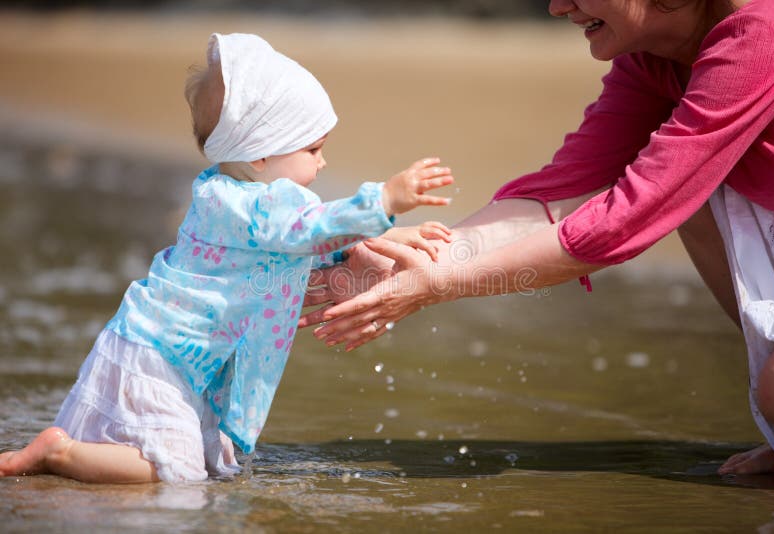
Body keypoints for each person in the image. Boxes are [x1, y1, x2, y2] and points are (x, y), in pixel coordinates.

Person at [302, 0, 774, 476]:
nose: (557, 7)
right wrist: (406, 262)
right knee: (690, 196)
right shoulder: (652, 57)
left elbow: (627, 217)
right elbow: (558, 193)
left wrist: (439, 284)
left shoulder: (761, 33)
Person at [0, 32, 454, 483]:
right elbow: (306, 228)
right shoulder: (243, 206)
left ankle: (73, 456)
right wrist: (384, 201)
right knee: (176, 473)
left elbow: (307, 239)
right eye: (313, 150)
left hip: (173, 355)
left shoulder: (231, 197)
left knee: (197, 459)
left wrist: (391, 231)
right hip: (161, 358)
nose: (323, 163)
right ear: (258, 154)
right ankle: (59, 454)